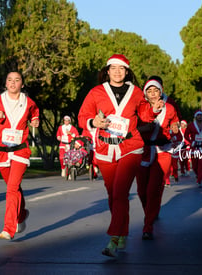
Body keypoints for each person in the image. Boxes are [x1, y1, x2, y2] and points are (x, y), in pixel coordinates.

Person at [78, 54, 163, 257]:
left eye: (121, 68)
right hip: (105, 148)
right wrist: (93, 123)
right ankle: (123, 231)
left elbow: (145, 115)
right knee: (113, 193)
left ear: (127, 72)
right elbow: (83, 116)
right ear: (107, 71)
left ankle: (114, 238)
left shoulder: (135, 92)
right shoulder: (96, 92)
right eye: (113, 68)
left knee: (119, 191)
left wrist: (154, 109)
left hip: (131, 147)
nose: (117, 72)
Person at [0, 71, 39, 240]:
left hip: (20, 150)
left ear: (22, 84)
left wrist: (35, 121)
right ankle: (21, 215)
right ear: (5, 83)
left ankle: (8, 228)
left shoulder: (29, 102)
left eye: (17, 80)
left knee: (11, 188)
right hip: (1, 153)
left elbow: (35, 114)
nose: (13, 83)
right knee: (15, 188)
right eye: (10, 80)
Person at [136, 78, 179, 240]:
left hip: (163, 151)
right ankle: (151, 211)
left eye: (156, 91)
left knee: (153, 189)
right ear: (145, 94)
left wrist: (175, 126)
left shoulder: (170, 108)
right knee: (141, 191)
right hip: (143, 151)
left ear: (161, 92)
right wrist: (144, 127)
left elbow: (175, 121)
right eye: (149, 91)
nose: (153, 94)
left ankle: (148, 227)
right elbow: (133, 127)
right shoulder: (140, 108)